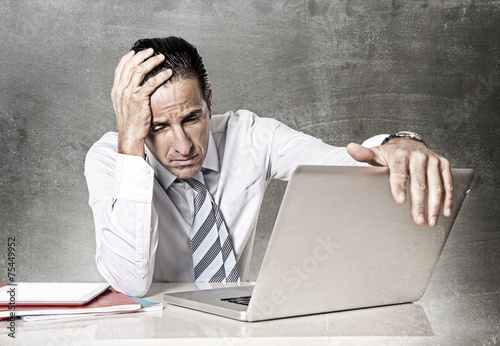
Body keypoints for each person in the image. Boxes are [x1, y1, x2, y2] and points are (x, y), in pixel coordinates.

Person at [85, 36, 453, 297]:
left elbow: (352, 164)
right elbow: (130, 280)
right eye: (158, 127)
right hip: (144, 334)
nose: (182, 146)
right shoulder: (110, 158)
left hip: (234, 330)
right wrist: (131, 143)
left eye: (193, 118)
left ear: (208, 103)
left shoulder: (248, 136)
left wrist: (400, 143)